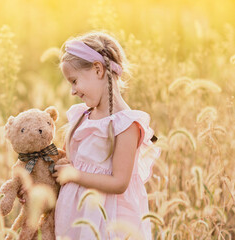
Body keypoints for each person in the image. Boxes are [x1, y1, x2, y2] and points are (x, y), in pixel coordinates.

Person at [32, 31, 160, 239]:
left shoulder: (126, 125)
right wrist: (35, 185)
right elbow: (66, 163)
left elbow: (120, 182)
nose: (72, 91)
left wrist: (76, 176)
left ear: (98, 69)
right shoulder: (81, 116)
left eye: (74, 81)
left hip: (107, 221)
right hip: (74, 217)